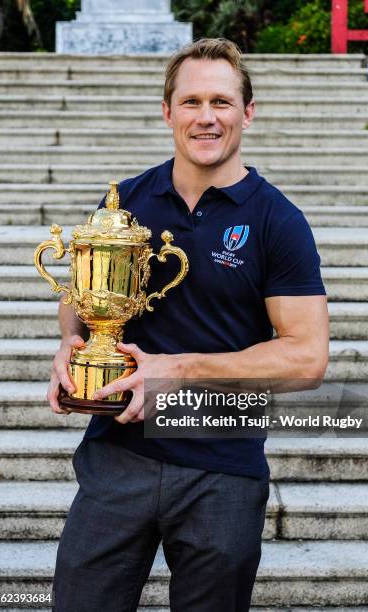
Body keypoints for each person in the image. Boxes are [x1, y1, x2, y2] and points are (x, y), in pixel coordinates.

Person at [50, 38, 329, 612]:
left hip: (222, 466)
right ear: (167, 111)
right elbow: (83, 302)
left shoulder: (278, 220)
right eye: (192, 101)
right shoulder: (124, 201)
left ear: (247, 113)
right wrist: (71, 347)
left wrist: (177, 370)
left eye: (222, 103)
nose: (207, 117)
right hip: (117, 455)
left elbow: (307, 358)